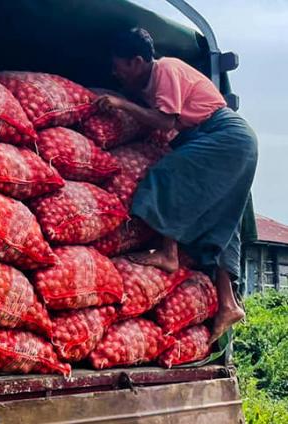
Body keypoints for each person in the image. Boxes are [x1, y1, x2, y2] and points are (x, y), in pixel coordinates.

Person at [97, 28, 258, 344]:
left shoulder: (166, 69)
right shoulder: (146, 83)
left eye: (119, 65)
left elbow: (166, 122)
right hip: (229, 141)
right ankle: (228, 303)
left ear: (138, 61)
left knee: (167, 174)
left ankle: (168, 253)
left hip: (226, 137)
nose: (115, 71)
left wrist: (121, 105)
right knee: (222, 221)